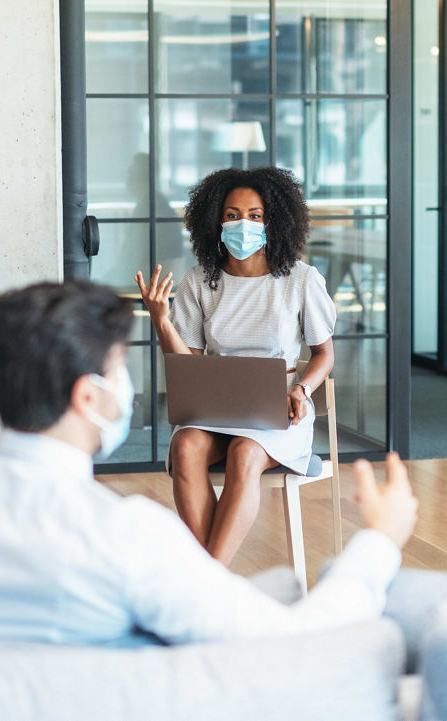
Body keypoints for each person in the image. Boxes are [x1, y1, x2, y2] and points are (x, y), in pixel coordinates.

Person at [0, 280, 417, 646]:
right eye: (119, 369)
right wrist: (381, 541)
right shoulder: (127, 535)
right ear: (89, 397)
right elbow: (289, 639)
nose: (128, 387)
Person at [135, 167, 336, 565]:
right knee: (185, 445)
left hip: (280, 412)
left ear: (273, 221)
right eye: (231, 214)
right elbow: (187, 365)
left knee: (244, 453)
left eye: (255, 215)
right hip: (216, 409)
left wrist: (302, 389)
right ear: (215, 220)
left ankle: (206, 581)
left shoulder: (301, 280)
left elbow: (324, 354)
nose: (242, 224)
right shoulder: (199, 282)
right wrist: (161, 320)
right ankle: (213, 583)